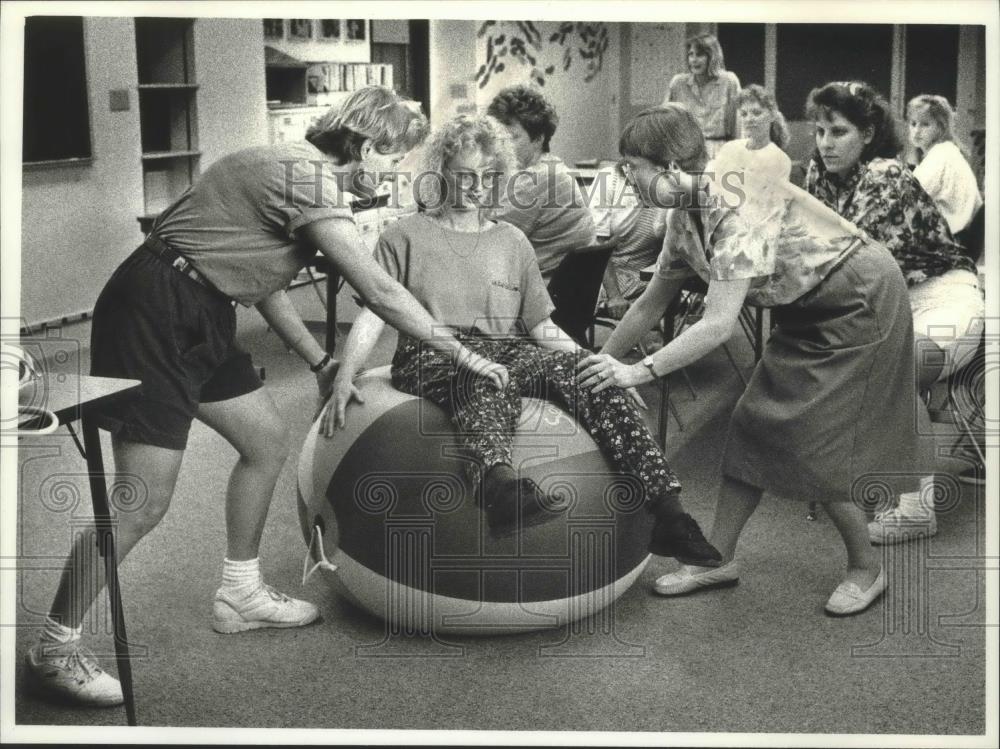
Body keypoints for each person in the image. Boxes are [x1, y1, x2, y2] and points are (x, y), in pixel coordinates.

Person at [24, 87, 510, 707]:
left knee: (264, 439)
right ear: (364, 146)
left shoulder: (286, 167)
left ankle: (240, 591)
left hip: (201, 303)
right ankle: (55, 644)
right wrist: (464, 354)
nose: (396, 174)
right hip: (158, 309)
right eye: (393, 159)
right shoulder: (307, 179)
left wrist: (318, 359)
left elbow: (264, 283)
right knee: (141, 500)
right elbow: (382, 293)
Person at [322, 114, 719, 562]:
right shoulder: (403, 235)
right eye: (464, 175)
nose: (476, 187)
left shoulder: (511, 240)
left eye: (488, 176)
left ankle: (670, 515)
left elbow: (542, 328)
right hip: (431, 351)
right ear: (440, 173)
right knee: (486, 377)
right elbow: (375, 313)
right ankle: (498, 486)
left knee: (587, 379)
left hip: (504, 348)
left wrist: (601, 368)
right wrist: (345, 373)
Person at [577, 104, 919, 616]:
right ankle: (718, 558)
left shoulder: (735, 209)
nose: (624, 178)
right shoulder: (682, 211)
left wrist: (638, 371)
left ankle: (867, 569)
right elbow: (653, 300)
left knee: (814, 443)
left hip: (858, 297)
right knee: (751, 423)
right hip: (802, 301)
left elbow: (717, 325)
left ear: (670, 170)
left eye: (632, 168)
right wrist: (600, 364)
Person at [804, 81, 985, 543]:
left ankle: (916, 510)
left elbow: (838, 262)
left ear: (868, 133)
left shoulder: (885, 175)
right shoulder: (817, 173)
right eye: (820, 130)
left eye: (839, 132)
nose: (825, 143)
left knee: (896, 371)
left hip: (944, 297)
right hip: (887, 301)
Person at [486, 85, 596, 281]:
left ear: (538, 139)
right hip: (558, 289)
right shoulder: (553, 166)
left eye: (511, 138)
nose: (499, 148)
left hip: (539, 295)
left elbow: (488, 241)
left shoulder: (536, 180)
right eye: (496, 138)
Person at [586, 161, 668, 320]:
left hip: (647, 277)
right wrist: (614, 296)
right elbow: (597, 246)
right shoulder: (608, 179)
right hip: (606, 275)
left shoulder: (667, 183)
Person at [906, 94, 984, 251]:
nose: (916, 131)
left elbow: (910, 197)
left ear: (941, 127)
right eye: (913, 124)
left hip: (951, 242)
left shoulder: (941, 156)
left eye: (925, 125)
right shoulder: (945, 151)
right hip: (956, 235)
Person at [710, 84, 792, 226]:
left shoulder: (780, 160)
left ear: (772, 115)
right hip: (720, 222)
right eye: (744, 114)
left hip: (756, 227)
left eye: (756, 113)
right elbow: (711, 187)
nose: (749, 119)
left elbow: (772, 210)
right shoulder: (729, 149)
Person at [664, 33, 741, 159]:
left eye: (699, 55)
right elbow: (665, 123)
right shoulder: (678, 83)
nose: (693, 60)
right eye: (691, 54)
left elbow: (738, 126)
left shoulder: (729, 81)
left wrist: (737, 157)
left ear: (712, 57)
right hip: (685, 152)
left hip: (719, 152)